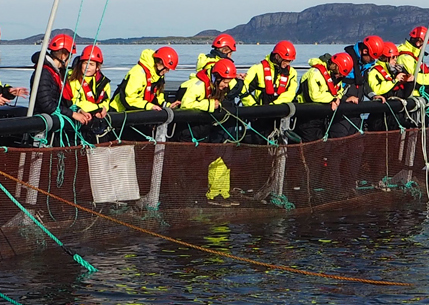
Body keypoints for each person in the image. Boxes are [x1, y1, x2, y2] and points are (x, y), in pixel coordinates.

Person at [174, 59, 243, 206]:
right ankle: (183, 200)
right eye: (225, 82)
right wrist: (212, 104)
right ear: (217, 77)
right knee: (186, 166)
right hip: (188, 132)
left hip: (203, 131)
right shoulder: (198, 85)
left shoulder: (217, 86)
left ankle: (195, 197)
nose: (226, 86)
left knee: (197, 166)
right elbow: (187, 104)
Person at [112, 46, 180, 140]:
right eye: (166, 68)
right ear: (159, 62)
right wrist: (150, 106)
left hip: (140, 114)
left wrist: (167, 106)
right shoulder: (138, 73)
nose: (167, 71)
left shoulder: (158, 76)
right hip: (120, 114)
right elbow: (129, 99)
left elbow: (158, 97)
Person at [240, 40, 299, 144]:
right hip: (259, 116)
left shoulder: (292, 73)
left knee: (280, 143)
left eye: (290, 61)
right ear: (277, 56)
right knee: (259, 145)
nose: (287, 64)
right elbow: (243, 89)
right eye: (285, 60)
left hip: (280, 115)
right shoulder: (257, 69)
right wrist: (253, 107)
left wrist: (274, 107)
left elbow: (290, 92)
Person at [295, 52, 353, 141]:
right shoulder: (314, 73)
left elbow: (339, 91)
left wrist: (338, 98)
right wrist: (332, 98)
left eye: (342, 75)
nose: (339, 76)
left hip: (322, 117)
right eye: (339, 73)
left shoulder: (336, 78)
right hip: (306, 116)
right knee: (308, 146)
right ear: (335, 66)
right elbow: (314, 96)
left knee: (320, 146)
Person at [65, 45, 114, 144]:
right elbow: (74, 101)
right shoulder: (71, 79)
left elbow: (106, 101)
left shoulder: (104, 82)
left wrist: (103, 109)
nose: (87, 67)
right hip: (78, 124)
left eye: (91, 64)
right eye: (85, 63)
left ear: (97, 67)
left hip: (97, 123)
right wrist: (96, 109)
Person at [362, 42, 413, 132]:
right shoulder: (374, 71)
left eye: (396, 57)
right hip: (381, 115)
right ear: (385, 58)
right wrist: (395, 81)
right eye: (393, 57)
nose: (395, 60)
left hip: (396, 114)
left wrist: (409, 82)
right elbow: (377, 90)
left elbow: (406, 94)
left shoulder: (396, 70)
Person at [30, 34, 76, 116]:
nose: (69, 61)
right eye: (70, 57)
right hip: (43, 118)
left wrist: (78, 111)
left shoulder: (59, 72)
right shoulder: (44, 73)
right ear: (64, 56)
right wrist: (72, 114)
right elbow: (46, 105)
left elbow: (65, 102)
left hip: (56, 115)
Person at [395, 26, 429, 97]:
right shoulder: (406, 58)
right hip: (411, 97)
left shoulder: (414, 56)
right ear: (418, 43)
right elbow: (416, 79)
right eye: (424, 45)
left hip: (418, 96)